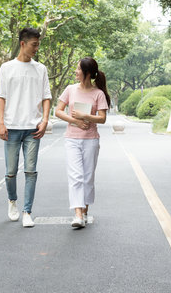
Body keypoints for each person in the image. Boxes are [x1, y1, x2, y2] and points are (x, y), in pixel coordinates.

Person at [0, 27, 52, 228]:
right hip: (11, 128)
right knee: (10, 172)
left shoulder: (41, 69)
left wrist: (44, 120)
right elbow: (0, 97)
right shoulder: (7, 68)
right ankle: (12, 201)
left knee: (31, 171)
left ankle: (27, 211)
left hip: (33, 128)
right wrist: (1, 123)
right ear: (22, 44)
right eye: (33, 45)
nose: (36, 48)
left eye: (38, 44)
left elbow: (47, 97)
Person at [55, 57, 110, 228]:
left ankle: (85, 210)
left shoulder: (98, 93)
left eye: (78, 69)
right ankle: (77, 214)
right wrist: (75, 121)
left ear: (87, 73)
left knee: (87, 178)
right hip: (72, 138)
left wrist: (85, 116)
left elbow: (102, 119)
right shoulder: (70, 89)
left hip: (90, 140)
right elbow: (58, 111)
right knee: (76, 177)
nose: (75, 72)